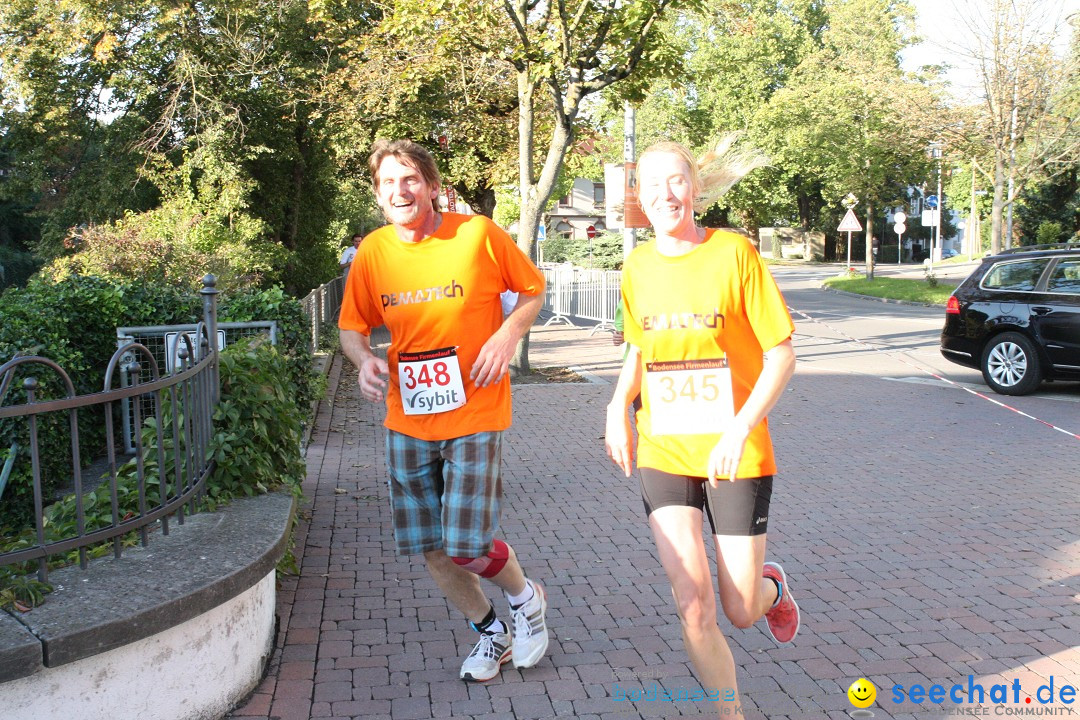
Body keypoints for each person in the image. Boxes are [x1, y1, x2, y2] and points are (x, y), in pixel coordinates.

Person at [338, 139, 549, 682]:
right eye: (388, 182)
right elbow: (350, 327)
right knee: (431, 548)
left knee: (466, 544)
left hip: (475, 407)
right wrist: (362, 358)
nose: (399, 190)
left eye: (409, 178)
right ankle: (490, 632)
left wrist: (505, 337)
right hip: (406, 414)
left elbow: (531, 290)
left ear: (432, 186)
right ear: (379, 194)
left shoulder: (476, 233)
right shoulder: (374, 254)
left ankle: (526, 600)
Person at [604, 140, 799, 717]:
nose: (667, 194)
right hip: (664, 448)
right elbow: (640, 347)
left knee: (739, 609)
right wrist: (618, 404)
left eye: (678, 181)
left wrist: (741, 426)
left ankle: (773, 589)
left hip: (733, 449)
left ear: (695, 187)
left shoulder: (734, 254)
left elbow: (781, 354)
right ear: (638, 195)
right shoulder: (637, 266)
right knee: (693, 603)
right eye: (653, 184)